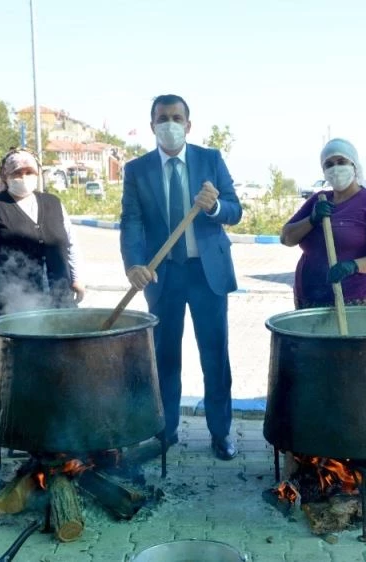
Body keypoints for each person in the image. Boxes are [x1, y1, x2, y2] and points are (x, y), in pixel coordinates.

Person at [120, 94, 242, 461]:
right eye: (162, 118)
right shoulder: (137, 170)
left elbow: (235, 210)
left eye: (176, 118)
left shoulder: (210, 159)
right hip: (163, 275)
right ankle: (166, 430)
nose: (169, 124)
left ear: (188, 125)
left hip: (207, 275)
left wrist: (215, 207)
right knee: (164, 356)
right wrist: (134, 264)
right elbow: (132, 221)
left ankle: (220, 433)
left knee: (215, 355)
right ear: (152, 124)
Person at [280, 138, 366, 309]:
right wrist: (312, 219)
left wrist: (353, 266)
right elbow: (286, 238)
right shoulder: (318, 200)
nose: (335, 169)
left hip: (356, 300)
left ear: (354, 165)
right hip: (309, 299)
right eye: (329, 164)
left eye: (341, 162)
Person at [0, 148, 85, 317]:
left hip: (59, 296)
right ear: (5, 176)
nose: (24, 177)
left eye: (29, 172)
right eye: (17, 173)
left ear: (37, 174)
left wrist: (77, 278)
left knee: (61, 341)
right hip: (12, 301)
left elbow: (71, 244)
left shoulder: (54, 203)